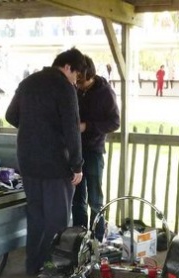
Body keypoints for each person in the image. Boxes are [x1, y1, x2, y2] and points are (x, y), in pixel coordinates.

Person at [6, 47, 87, 275]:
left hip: (28, 161)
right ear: (68, 67)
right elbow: (72, 130)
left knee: (36, 216)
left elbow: (10, 116)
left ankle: (33, 265)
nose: (75, 80)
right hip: (54, 164)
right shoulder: (63, 87)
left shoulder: (28, 82)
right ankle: (53, 270)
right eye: (75, 75)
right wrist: (77, 165)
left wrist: (32, 127)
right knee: (58, 221)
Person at [72, 56, 120, 242]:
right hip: (75, 151)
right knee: (77, 199)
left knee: (95, 200)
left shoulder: (105, 92)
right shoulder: (74, 90)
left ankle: (97, 239)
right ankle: (78, 237)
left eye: (82, 81)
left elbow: (114, 122)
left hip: (94, 151)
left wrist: (87, 126)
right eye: (77, 81)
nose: (79, 85)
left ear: (90, 75)